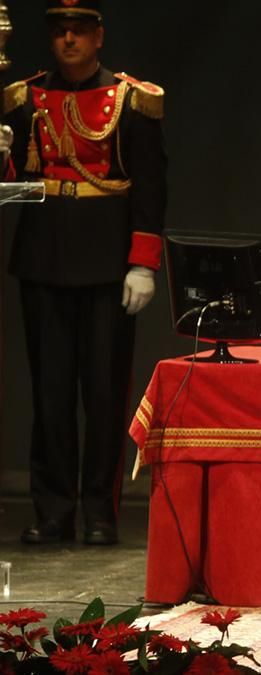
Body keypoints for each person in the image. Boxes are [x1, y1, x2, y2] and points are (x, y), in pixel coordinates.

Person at [0, 0, 166, 545]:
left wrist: (142, 261)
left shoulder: (131, 100)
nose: (68, 40)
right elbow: (12, 178)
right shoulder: (24, 99)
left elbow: (150, 186)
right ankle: (52, 511)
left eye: (79, 31)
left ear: (98, 37)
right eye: (59, 32)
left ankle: (99, 511)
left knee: (102, 391)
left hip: (106, 256)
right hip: (45, 254)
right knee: (49, 394)